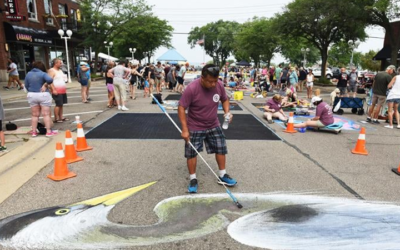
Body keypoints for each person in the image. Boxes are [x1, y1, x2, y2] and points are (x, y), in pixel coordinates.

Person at [178, 64, 237, 193]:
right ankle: (193, 179)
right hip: (195, 125)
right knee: (192, 153)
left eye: (215, 81)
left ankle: (222, 175)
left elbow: (225, 99)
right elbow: (181, 107)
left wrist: (227, 112)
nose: (213, 84)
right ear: (202, 78)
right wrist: (185, 129)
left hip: (213, 123)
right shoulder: (192, 88)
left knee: (221, 147)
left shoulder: (219, 85)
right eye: (210, 81)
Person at [24, 61, 57, 137]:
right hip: (43, 94)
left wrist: (31, 90)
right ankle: (48, 131)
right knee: (46, 114)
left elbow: (26, 85)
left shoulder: (28, 74)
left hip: (32, 95)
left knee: (34, 115)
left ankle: (34, 132)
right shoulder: (43, 73)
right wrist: (45, 84)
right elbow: (50, 80)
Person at [48, 58, 68, 123]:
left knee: (61, 104)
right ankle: (56, 118)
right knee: (58, 104)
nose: (61, 64)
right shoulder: (52, 70)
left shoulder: (60, 70)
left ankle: (61, 117)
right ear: (55, 63)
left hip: (62, 89)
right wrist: (53, 89)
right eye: (60, 63)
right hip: (57, 90)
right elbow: (50, 81)